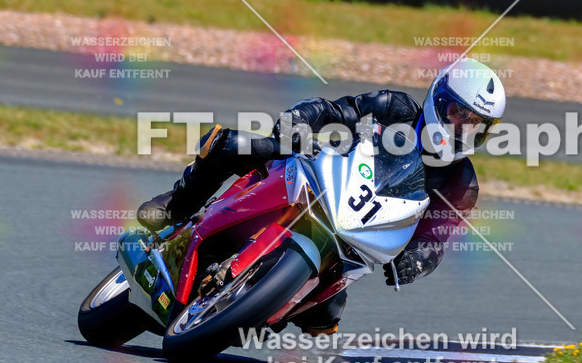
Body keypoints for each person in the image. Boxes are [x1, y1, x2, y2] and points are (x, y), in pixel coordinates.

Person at [136, 58, 506, 335]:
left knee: (325, 319)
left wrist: (416, 261)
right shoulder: (396, 108)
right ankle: (178, 204)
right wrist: (302, 118)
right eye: (458, 113)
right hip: (317, 176)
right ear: (438, 100)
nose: (462, 128)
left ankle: (257, 301)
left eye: (476, 124)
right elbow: (337, 111)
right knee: (232, 144)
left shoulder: (462, 182)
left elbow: (436, 239)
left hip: (352, 242)